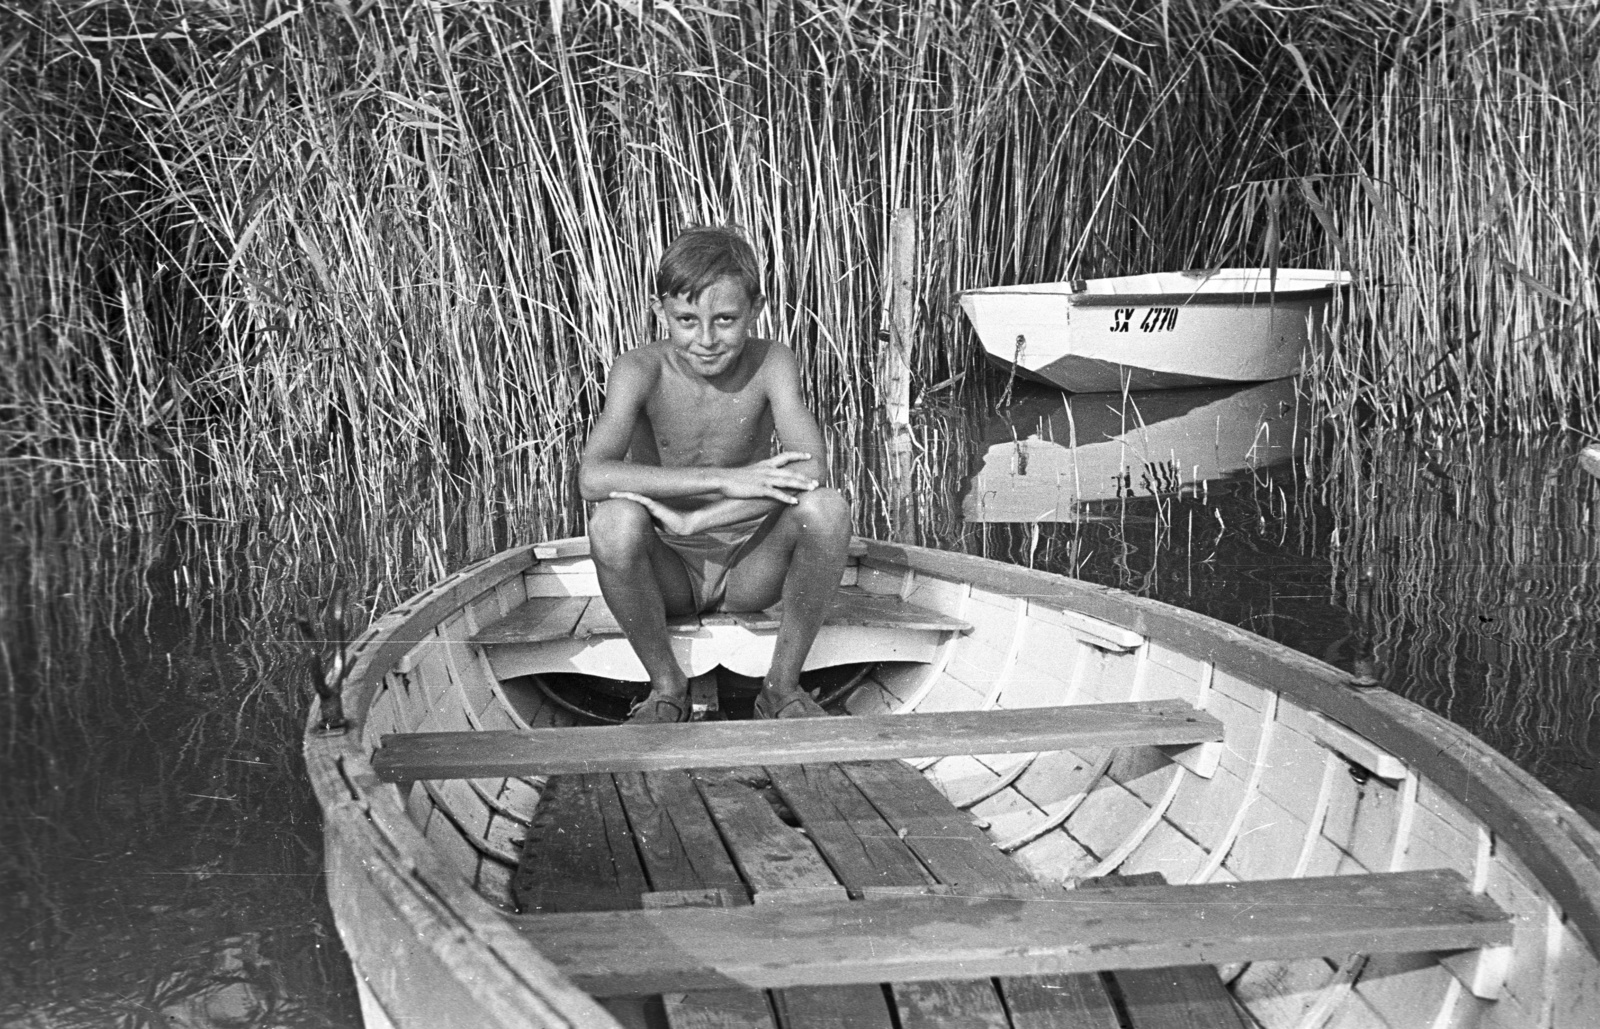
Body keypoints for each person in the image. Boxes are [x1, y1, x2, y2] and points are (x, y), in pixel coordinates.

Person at [577, 226, 852, 724]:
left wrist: (698, 521)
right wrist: (724, 480)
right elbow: (593, 478)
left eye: (725, 320)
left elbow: (812, 467)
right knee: (612, 522)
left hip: (750, 567)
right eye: (686, 320)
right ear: (660, 310)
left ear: (756, 309)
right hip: (669, 574)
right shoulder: (639, 369)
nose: (704, 340)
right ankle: (666, 689)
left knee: (827, 509)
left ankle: (781, 687)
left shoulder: (773, 361)